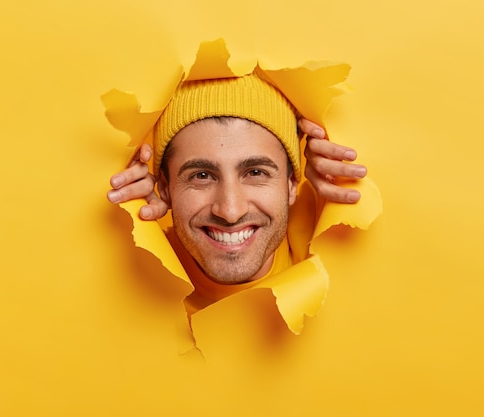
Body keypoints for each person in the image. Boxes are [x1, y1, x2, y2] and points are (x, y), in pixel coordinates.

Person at [106, 71, 368, 313]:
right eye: (202, 176)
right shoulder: (127, 279)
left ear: (290, 183)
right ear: (164, 187)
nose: (230, 211)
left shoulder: (331, 255)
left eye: (255, 173)